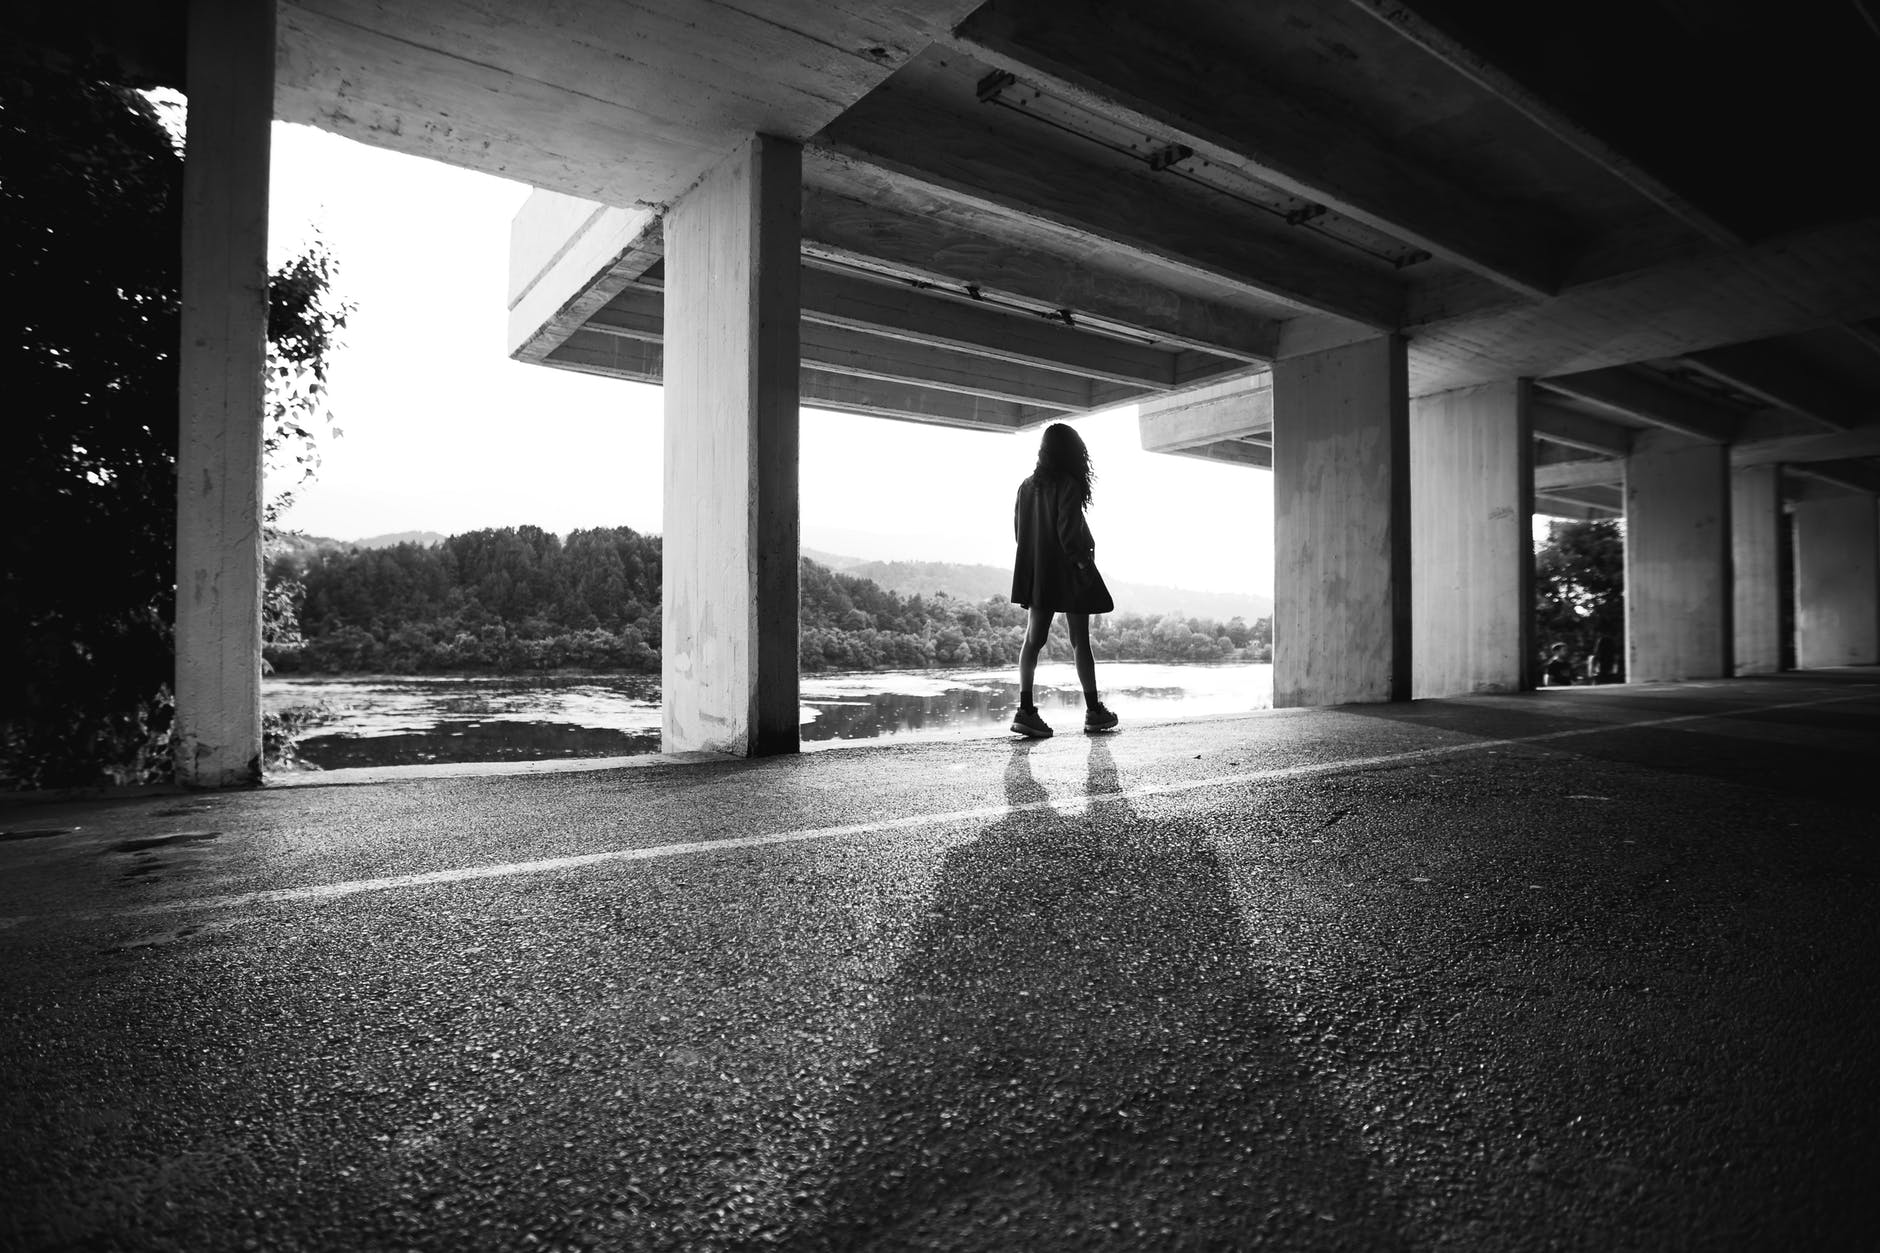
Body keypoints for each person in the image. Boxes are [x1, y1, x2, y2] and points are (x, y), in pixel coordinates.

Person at [1009, 423, 1118, 738]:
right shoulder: (1068, 485)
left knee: (1033, 640)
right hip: (1069, 572)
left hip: (1038, 572)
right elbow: (1068, 533)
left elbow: (1020, 533)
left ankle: (1025, 710)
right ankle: (1094, 711)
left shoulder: (1026, 487)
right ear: (1072, 452)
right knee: (1080, 641)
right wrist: (1083, 563)